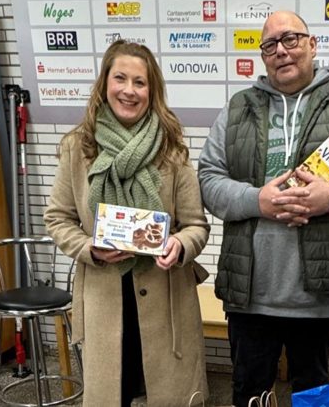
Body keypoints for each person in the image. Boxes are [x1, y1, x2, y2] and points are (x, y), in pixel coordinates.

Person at [198, 10, 329, 406]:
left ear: (312, 44)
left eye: (291, 39)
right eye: (270, 44)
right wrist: (258, 200)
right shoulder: (239, 108)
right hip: (250, 289)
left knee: (312, 395)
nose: (281, 51)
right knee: (249, 394)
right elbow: (208, 179)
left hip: (319, 290)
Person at [44, 40, 210, 407]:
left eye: (140, 82)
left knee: (169, 396)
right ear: (105, 82)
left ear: (152, 91)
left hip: (165, 298)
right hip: (104, 298)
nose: (129, 90)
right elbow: (58, 218)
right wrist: (90, 248)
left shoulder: (172, 149)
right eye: (121, 78)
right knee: (111, 394)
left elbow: (196, 225)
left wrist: (180, 245)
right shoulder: (78, 147)